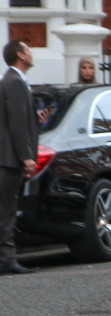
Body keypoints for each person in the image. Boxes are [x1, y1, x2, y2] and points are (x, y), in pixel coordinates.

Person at [1, 40, 41, 275]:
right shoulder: (15, 82)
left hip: (7, 157)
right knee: (6, 211)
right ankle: (6, 260)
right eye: (28, 50)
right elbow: (15, 123)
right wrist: (26, 156)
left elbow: (17, 118)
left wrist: (36, 118)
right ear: (20, 55)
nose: (31, 53)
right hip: (9, 159)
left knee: (5, 209)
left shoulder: (12, 81)